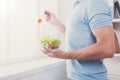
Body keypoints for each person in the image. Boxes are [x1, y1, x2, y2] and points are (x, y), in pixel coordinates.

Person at [42, 0, 115, 80]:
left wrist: (64, 55)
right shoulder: (79, 4)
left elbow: (107, 48)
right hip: (74, 76)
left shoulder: (95, 4)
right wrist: (55, 23)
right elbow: (75, 37)